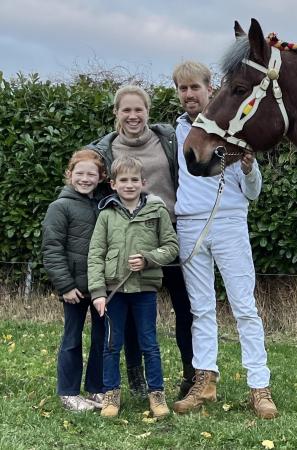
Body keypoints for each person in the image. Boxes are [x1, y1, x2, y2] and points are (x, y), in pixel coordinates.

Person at [171, 61, 278, 419]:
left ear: (209, 88)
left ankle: (258, 386)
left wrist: (249, 168)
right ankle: (205, 379)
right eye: (183, 89)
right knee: (200, 308)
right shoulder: (175, 133)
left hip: (229, 221)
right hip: (189, 225)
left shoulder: (231, 127)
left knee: (244, 306)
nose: (189, 95)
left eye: (195, 88)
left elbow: (253, 192)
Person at [88, 85, 195, 398]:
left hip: (169, 231)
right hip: (129, 233)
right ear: (116, 113)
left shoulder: (168, 139)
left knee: (185, 308)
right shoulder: (104, 151)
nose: (133, 116)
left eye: (139, 110)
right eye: (126, 110)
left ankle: (191, 376)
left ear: (148, 112)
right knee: (133, 309)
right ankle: (136, 377)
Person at [88, 156, 178, 419]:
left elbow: (172, 247)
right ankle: (111, 395)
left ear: (143, 182)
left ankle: (157, 395)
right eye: (123, 180)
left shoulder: (157, 211)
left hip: (144, 291)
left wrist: (149, 259)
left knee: (149, 343)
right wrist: (97, 293)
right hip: (114, 292)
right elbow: (95, 254)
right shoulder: (106, 214)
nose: (129, 185)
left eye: (134, 180)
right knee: (112, 345)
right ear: (113, 184)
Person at [41, 149, 107, 412]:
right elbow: (52, 249)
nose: (85, 178)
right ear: (69, 175)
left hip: (101, 286)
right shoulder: (60, 207)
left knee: (102, 339)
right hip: (75, 289)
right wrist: (65, 286)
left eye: (91, 174)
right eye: (79, 173)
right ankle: (68, 392)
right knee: (72, 338)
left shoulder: (105, 204)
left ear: (100, 177)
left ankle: (96, 389)